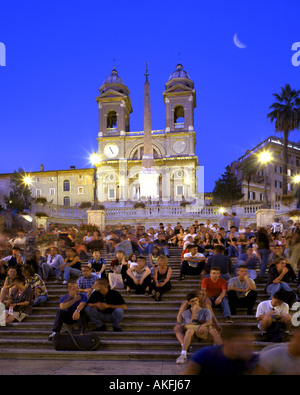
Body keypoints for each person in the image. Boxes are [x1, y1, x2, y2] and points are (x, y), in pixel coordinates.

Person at [181, 328, 258, 375]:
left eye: (250, 343)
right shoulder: (205, 355)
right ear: (228, 342)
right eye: (244, 344)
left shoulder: (253, 361)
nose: (249, 348)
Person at [175, 292, 223, 364]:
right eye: (192, 301)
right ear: (188, 303)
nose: (195, 302)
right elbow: (189, 324)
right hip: (193, 330)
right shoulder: (186, 313)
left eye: (196, 300)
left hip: (204, 329)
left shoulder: (205, 310)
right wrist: (194, 312)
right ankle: (183, 354)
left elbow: (209, 321)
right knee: (189, 330)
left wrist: (203, 325)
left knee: (213, 330)